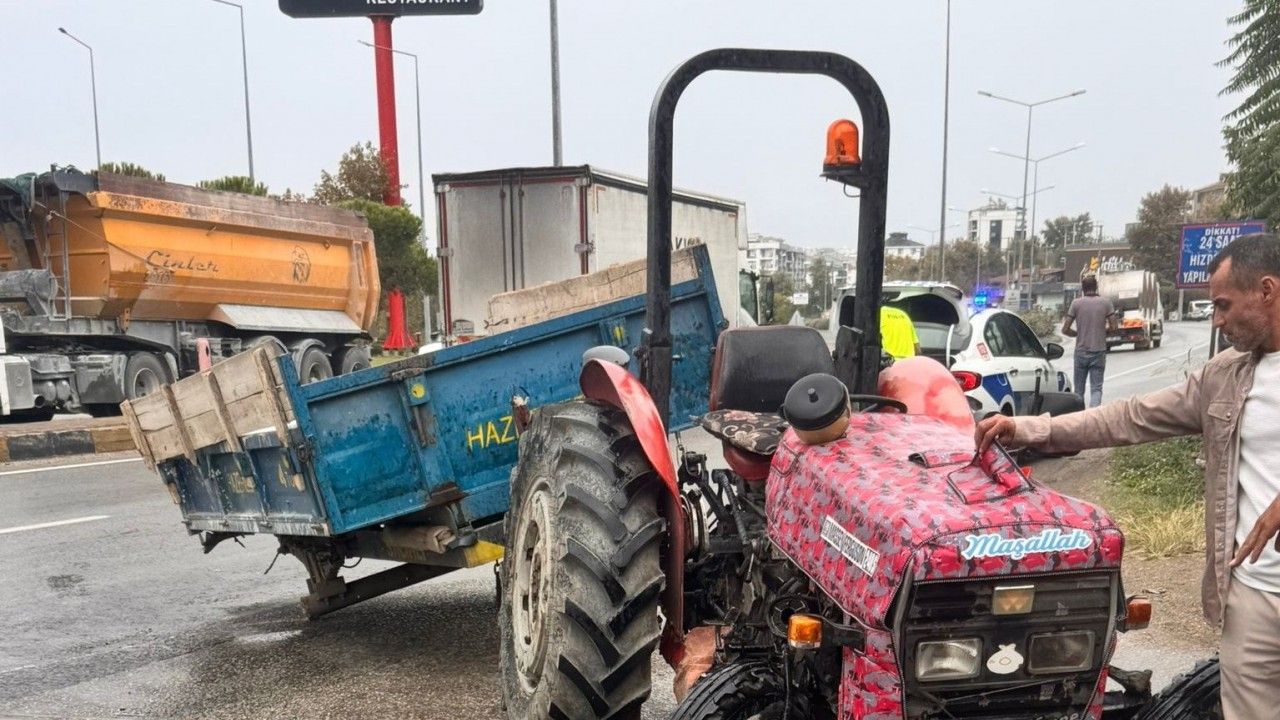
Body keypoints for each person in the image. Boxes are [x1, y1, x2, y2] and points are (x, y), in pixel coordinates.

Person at [975, 233, 1280, 719]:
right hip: (1254, 594)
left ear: (1266, 290)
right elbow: (1128, 417)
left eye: (1224, 305)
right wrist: (1030, 428)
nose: (1217, 321)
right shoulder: (1223, 377)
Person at [1061, 274, 1118, 407]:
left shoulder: (1076, 304)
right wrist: (1102, 332)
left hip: (1081, 352)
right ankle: (1093, 416)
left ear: (1083, 288)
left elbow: (1065, 329)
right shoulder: (1106, 303)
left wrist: (1078, 334)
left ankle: (1079, 417)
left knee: (1078, 391)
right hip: (1099, 351)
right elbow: (1114, 327)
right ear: (1096, 287)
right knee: (1096, 389)